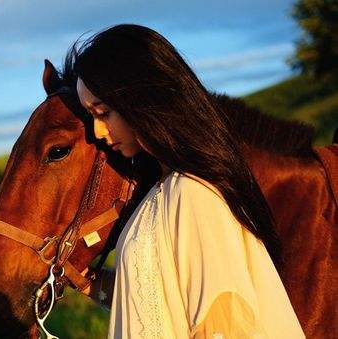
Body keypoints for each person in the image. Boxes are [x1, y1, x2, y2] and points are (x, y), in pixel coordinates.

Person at [67, 24, 305, 338]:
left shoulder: (193, 194)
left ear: (141, 99)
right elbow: (159, 301)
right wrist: (88, 282)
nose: (97, 132)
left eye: (104, 112)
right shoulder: (162, 190)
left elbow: (224, 324)